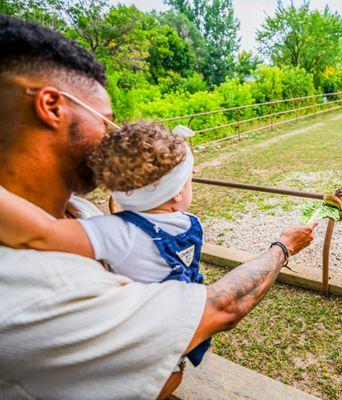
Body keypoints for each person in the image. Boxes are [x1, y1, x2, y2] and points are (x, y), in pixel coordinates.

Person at [0, 15, 316, 400]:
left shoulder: (80, 213)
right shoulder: (39, 290)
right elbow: (223, 308)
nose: (113, 137)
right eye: (107, 120)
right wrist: (283, 248)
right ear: (52, 106)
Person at [0, 120, 216, 367]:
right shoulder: (191, 223)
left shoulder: (115, 232)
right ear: (177, 191)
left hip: (149, 327)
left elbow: (43, 231)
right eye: (189, 181)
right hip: (183, 315)